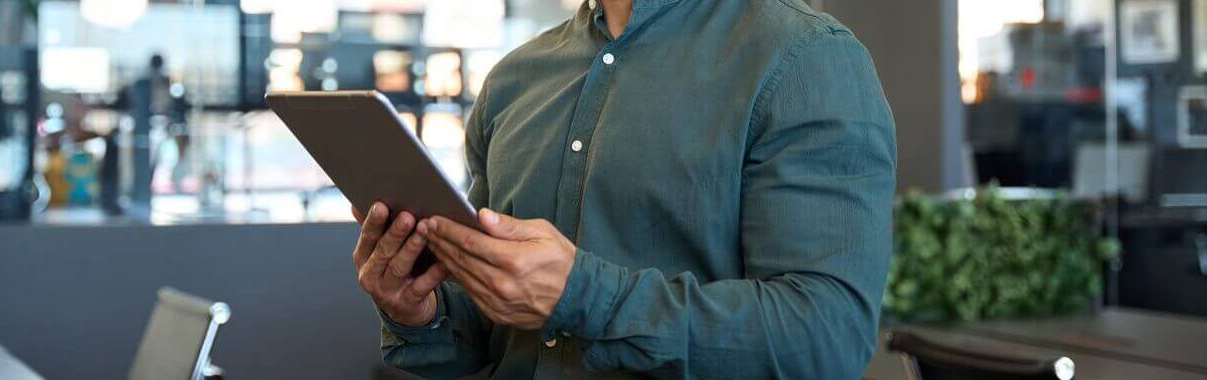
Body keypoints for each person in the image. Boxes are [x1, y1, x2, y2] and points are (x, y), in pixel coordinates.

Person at [352, 0, 897, 378]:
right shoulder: (514, 81)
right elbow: (486, 335)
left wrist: (581, 296)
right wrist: (420, 310)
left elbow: (826, 340)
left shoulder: (803, 58)